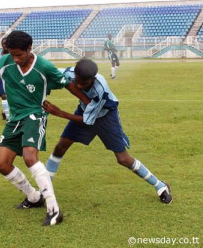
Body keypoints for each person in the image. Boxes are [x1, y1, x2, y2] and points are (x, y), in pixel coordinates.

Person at [0, 31, 90, 226]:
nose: (15, 59)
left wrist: (87, 102)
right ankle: (33, 197)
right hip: (14, 120)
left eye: (19, 55)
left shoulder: (43, 67)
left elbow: (67, 84)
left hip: (35, 115)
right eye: (12, 54)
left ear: (29, 49)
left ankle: (54, 209)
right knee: (2, 164)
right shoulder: (6, 62)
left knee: (30, 158)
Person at [44, 59, 172, 205]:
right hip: (84, 112)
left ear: (93, 78)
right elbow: (49, 73)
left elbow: (87, 121)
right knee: (60, 147)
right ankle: (45, 191)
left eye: (84, 84)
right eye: (77, 81)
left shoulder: (101, 90)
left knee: (123, 158)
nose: (78, 86)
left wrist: (59, 112)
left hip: (105, 117)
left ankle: (161, 186)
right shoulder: (69, 73)